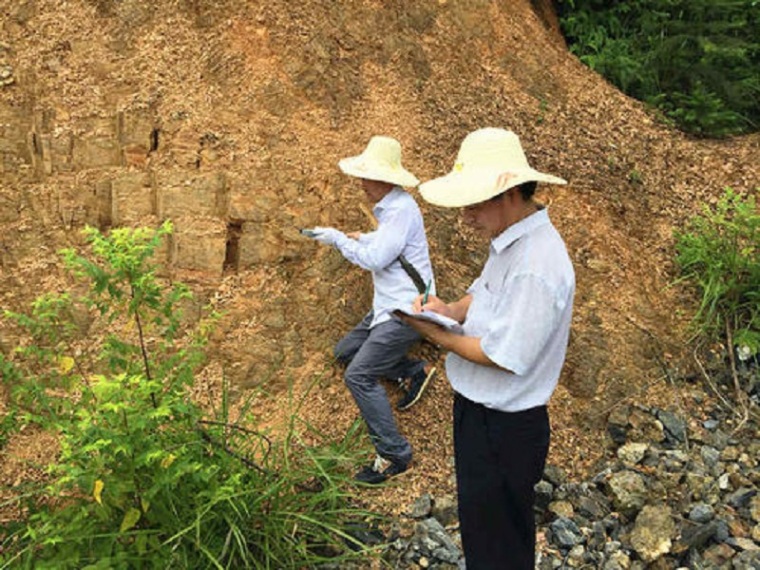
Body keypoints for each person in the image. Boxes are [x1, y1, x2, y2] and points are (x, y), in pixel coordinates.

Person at [398, 127, 575, 569]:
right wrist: (449, 310)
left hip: (505, 427)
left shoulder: (536, 264)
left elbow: (504, 355)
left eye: (474, 205)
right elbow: (482, 294)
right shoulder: (511, 243)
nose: (467, 217)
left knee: (498, 547)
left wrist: (433, 334)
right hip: (481, 418)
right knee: (485, 534)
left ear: (509, 193)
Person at [308, 135, 437, 484]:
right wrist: (361, 236)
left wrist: (338, 239)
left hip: (404, 311)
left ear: (386, 179)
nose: (362, 184)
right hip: (386, 306)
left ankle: (394, 453)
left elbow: (376, 259)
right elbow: (388, 246)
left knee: (358, 376)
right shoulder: (395, 209)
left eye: (367, 177)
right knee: (345, 352)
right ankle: (411, 371)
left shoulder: (399, 211)